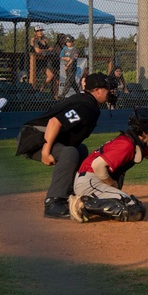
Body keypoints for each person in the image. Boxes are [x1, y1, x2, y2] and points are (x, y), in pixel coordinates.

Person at [15, 72, 112, 218]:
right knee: (70, 152)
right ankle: (53, 202)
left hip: (41, 136)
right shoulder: (84, 106)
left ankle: (72, 196)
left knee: (80, 150)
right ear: (97, 91)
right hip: (33, 138)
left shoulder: (89, 103)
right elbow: (55, 122)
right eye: (107, 88)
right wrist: (46, 152)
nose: (110, 91)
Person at [68, 107, 148, 223]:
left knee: (134, 207)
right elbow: (97, 165)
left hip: (93, 179)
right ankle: (81, 204)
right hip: (90, 180)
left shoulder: (136, 142)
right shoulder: (127, 145)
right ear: (144, 126)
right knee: (134, 210)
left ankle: (93, 203)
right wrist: (112, 184)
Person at [29, 24, 56, 92]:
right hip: (34, 62)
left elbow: (50, 48)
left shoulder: (44, 40)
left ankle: (41, 89)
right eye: (38, 31)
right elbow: (37, 50)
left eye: (41, 30)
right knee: (33, 78)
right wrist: (47, 50)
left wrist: (48, 50)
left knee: (51, 75)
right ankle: (32, 91)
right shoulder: (34, 40)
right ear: (35, 32)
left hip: (43, 62)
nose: (40, 32)